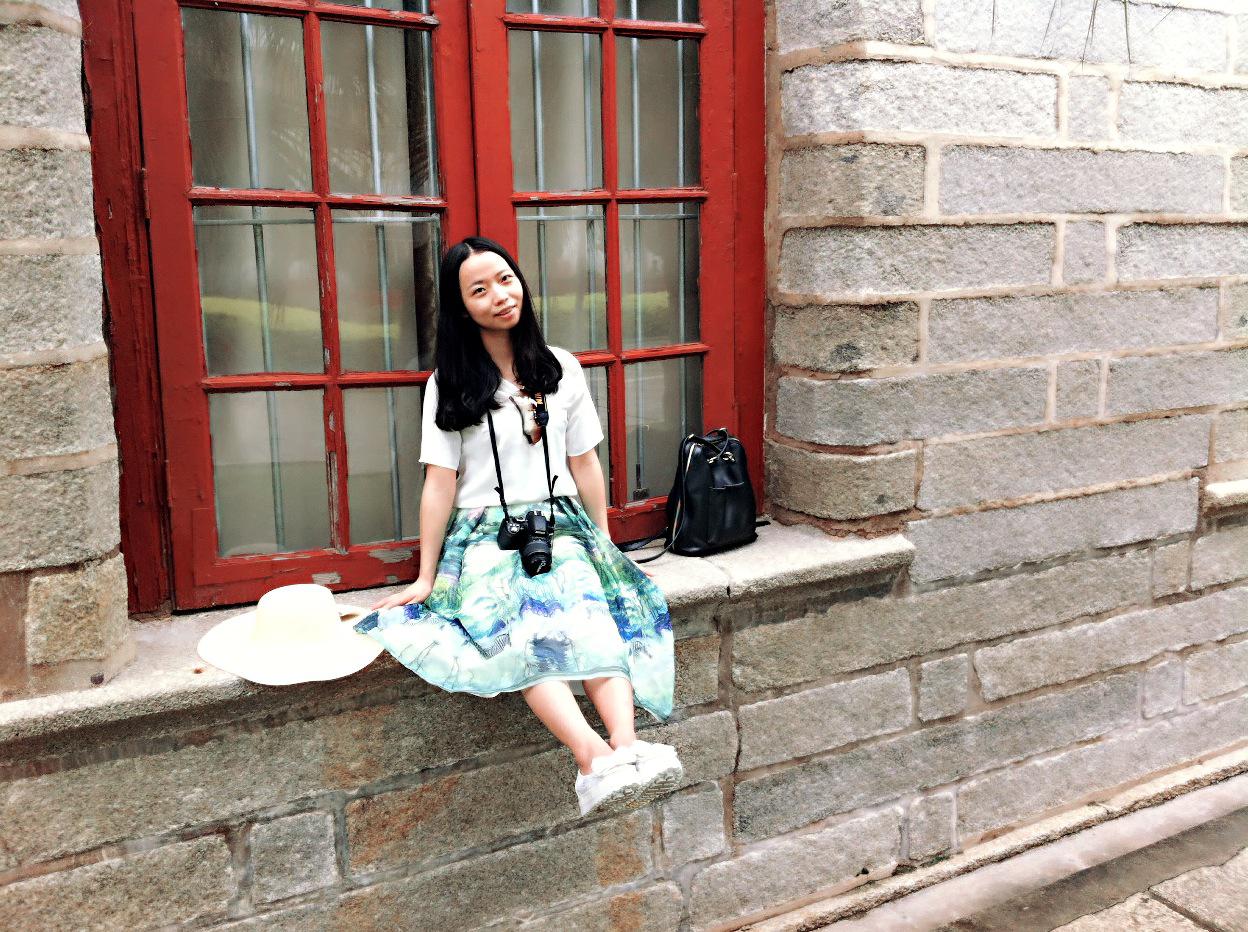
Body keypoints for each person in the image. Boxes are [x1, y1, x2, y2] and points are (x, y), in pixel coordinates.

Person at [352, 235, 682, 817]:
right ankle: (591, 760)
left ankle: (627, 749)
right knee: (524, 629)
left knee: (590, 608)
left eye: (505, 279)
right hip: (484, 535)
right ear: (461, 308)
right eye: (479, 289)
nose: (500, 295)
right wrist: (426, 577)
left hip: (560, 523)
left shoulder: (561, 368)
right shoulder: (448, 384)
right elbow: (439, 483)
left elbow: (585, 463)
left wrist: (603, 543)